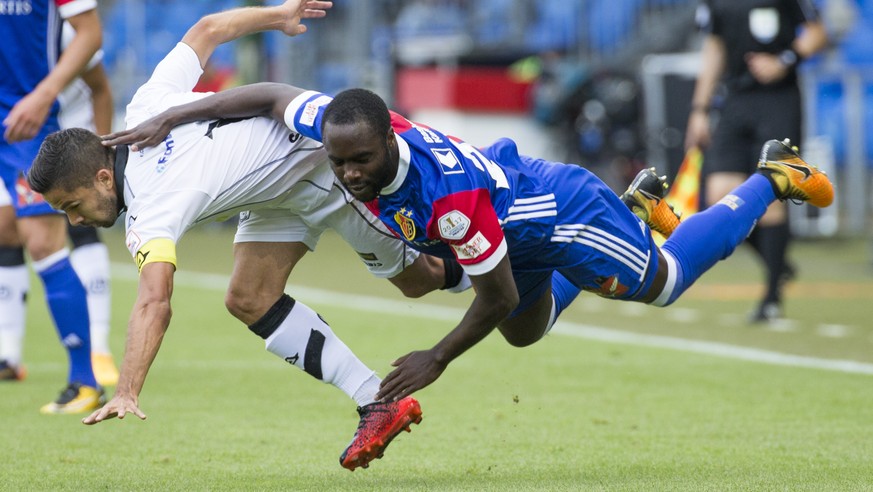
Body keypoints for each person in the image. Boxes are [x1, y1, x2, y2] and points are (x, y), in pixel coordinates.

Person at [101, 81, 834, 404]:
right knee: (525, 335)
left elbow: (495, 292)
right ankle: (636, 213)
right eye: (339, 161)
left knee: (665, 282)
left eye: (360, 161)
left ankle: (772, 175)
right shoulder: (336, 121)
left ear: (390, 141)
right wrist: (175, 119)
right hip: (508, 219)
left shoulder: (446, 204)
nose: (349, 174)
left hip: (554, 212)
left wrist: (436, 358)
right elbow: (264, 95)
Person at [28, 1, 472, 472]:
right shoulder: (145, 105)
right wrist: (276, 15)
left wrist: (127, 389)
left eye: (72, 206)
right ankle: (376, 402)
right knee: (249, 297)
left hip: (323, 171)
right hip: (274, 193)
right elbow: (206, 29)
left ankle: (502, 267)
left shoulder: (152, 210)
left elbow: (153, 301)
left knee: (419, 279)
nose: (74, 221)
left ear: (102, 177)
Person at [684, 0, 828, 323]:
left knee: (770, 195)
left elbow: (818, 33)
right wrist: (700, 109)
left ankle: (771, 297)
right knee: (719, 196)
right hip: (736, 99)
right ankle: (776, 263)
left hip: (778, 100)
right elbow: (715, 48)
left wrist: (785, 60)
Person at [0, 21, 120, 388]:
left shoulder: (63, 33)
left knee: (63, 233)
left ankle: (93, 358)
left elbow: (100, 88)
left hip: (56, 141)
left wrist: (104, 152)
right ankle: (7, 354)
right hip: (15, 137)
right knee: (6, 232)